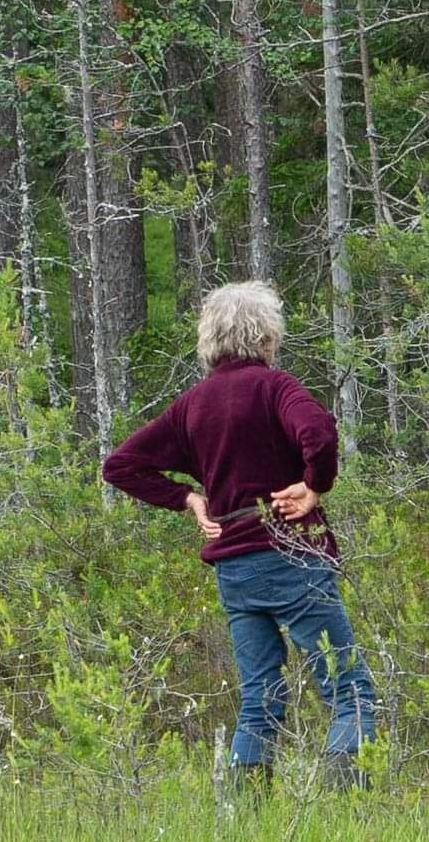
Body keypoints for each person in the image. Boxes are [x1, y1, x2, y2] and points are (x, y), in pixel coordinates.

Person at [101, 281, 378, 787]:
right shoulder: (275, 388)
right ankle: (353, 811)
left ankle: (247, 819)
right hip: (292, 556)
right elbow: (317, 431)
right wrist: (315, 486)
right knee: (348, 690)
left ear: (211, 338)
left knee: (260, 698)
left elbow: (120, 465)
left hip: (236, 570)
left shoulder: (193, 404)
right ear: (267, 334)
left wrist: (187, 497)